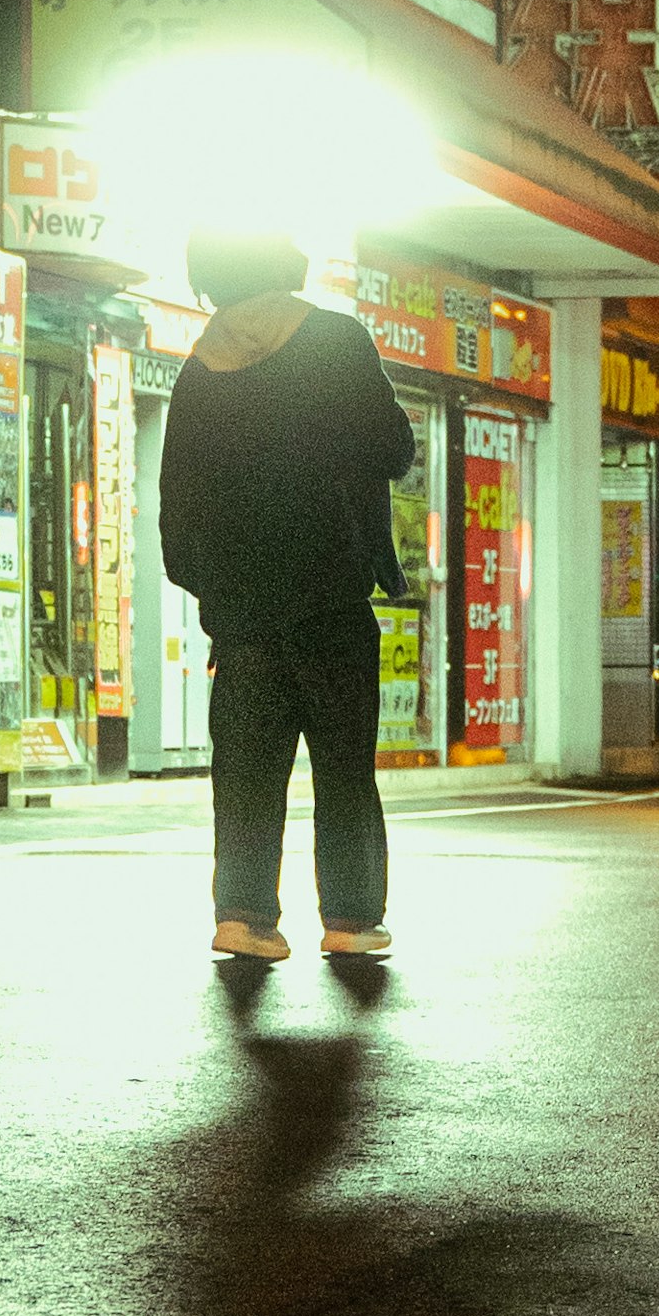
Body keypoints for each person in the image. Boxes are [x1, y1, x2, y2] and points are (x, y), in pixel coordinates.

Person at [158, 225, 416, 961]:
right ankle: (351, 919)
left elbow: (179, 509)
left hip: (241, 622)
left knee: (245, 773)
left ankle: (243, 916)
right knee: (344, 770)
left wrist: (217, 590)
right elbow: (393, 449)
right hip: (334, 602)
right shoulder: (337, 342)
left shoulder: (198, 374)